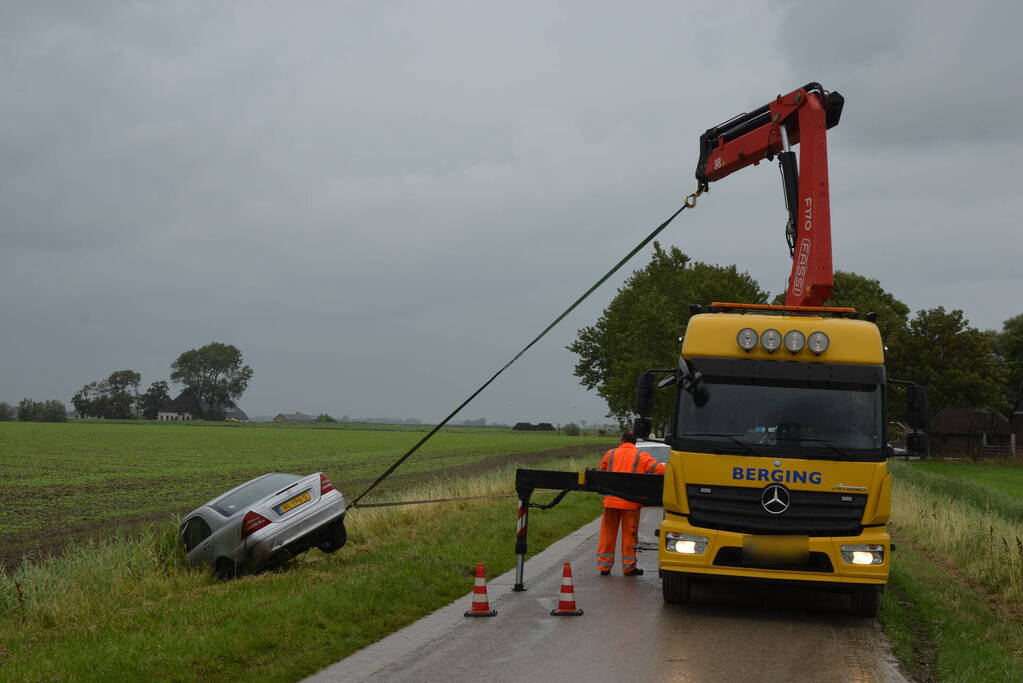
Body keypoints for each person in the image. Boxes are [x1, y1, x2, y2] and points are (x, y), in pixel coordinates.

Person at [596, 430, 665, 576]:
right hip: (630, 503)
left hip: (611, 501)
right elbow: (657, 469)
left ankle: (604, 567)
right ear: (635, 442)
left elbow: (601, 470)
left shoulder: (611, 454)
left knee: (607, 534)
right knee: (629, 535)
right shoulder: (641, 456)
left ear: (622, 440)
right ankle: (629, 567)